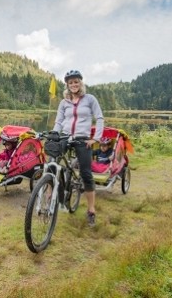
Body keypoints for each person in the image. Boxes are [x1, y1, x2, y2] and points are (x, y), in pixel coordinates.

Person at [52, 69, 104, 227]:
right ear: (67, 85)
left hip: (83, 139)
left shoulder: (89, 99)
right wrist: (55, 134)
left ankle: (91, 210)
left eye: (76, 82)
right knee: (52, 164)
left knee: (86, 174)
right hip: (66, 136)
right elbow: (59, 121)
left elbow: (100, 118)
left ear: (81, 83)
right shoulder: (64, 102)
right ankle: (50, 197)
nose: (73, 84)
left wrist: (95, 138)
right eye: (70, 82)